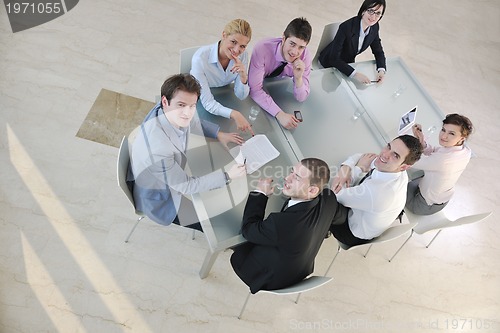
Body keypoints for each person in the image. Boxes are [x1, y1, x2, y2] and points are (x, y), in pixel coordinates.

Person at [127, 74, 247, 231]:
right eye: (181, 105)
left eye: (192, 106)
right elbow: (187, 186)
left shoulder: (167, 109)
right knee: (220, 223)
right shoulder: (157, 150)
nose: (187, 113)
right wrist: (228, 176)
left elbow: (193, 122)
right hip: (161, 199)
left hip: (173, 172)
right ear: (165, 101)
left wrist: (218, 134)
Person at [230, 158, 347, 294]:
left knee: (232, 233)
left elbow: (248, 229)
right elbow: (341, 217)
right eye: (292, 172)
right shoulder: (329, 197)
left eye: (296, 178)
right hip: (299, 271)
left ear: (312, 190)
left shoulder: (281, 223)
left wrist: (260, 193)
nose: (287, 178)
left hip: (268, 277)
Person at [329, 135, 422, 247]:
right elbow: (361, 156)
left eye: (395, 155)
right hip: (363, 214)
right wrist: (345, 169)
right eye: (388, 146)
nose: (385, 154)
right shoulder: (392, 168)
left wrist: (359, 168)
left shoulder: (378, 193)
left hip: (351, 231)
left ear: (404, 167)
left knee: (321, 197)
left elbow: (335, 193)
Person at [190, 19, 255, 135]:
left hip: (225, 96)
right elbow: (208, 103)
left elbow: (241, 96)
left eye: (242, 46)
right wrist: (235, 114)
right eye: (233, 42)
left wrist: (243, 76)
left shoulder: (243, 56)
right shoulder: (200, 58)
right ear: (224, 35)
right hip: (202, 99)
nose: (236, 50)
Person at [248, 17, 312, 130]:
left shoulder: (305, 56)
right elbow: (254, 90)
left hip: (279, 90)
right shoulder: (262, 48)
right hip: (259, 88)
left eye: (301, 47)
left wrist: (298, 79)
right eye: (292, 44)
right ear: (283, 38)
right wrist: (279, 114)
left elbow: (301, 98)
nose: (295, 52)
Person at [406, 114, 474, 215]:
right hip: (439, 199)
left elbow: (411, 161)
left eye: (452, 133)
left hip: (422, 205)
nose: (443, 136)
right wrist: (422, 141)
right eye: (443, 130)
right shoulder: (465, 151)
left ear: (462, 138)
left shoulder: (444, 160)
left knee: (393, 183)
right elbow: (435, 152)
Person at [319, 0, 387, 84]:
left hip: (347, 63)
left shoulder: (374, 27)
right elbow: (334, 59)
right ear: (363, 10)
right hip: (328, 63)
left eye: (378, 13)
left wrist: (381, 70)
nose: (373, 17)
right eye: (370, 11)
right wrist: (355, 74)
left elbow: (378, 51)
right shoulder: (346, 27)